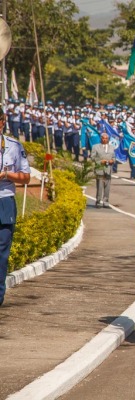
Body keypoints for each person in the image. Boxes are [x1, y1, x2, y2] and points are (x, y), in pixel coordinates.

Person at [0, 109, 31, 307]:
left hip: (4, 201)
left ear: (2, 122)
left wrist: (6, 175)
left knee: (1, 252)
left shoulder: (12, 146)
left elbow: (26, 177)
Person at [91, 133, 116, 208]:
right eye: (103, 138)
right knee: (100, 186)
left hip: (108, 169)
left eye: (106, 138)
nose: (104, 139)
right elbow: (92, 157)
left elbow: (114, 157)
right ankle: (98, 201)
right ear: (101, 138)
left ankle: (106, 202)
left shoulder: (111, 147)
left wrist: (113, 161)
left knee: (107, 187)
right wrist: (100, 161)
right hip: (100, 169)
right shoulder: (95, 147)